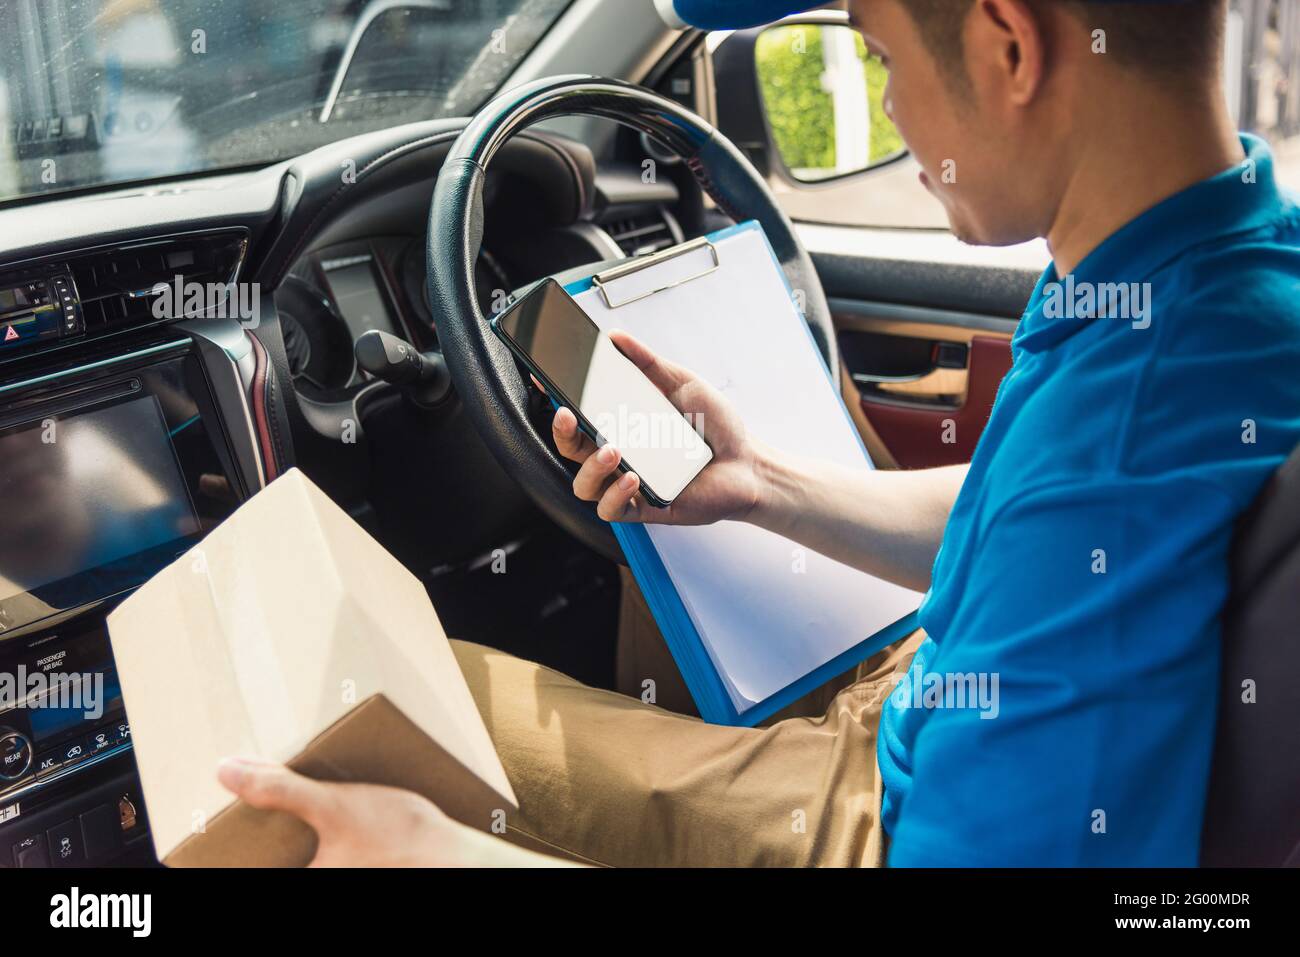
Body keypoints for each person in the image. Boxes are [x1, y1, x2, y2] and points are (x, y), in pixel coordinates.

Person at [218, 0, 1300, 866]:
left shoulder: (1116, 427)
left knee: (361, 707)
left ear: (1008, 44)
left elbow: (1066, 519)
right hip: (935, 689)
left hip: (891, 808)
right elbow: (1011, 514)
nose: (886, 108)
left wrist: (440, 857)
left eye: (878, 57)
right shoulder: (1225, 270)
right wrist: (760, 483)